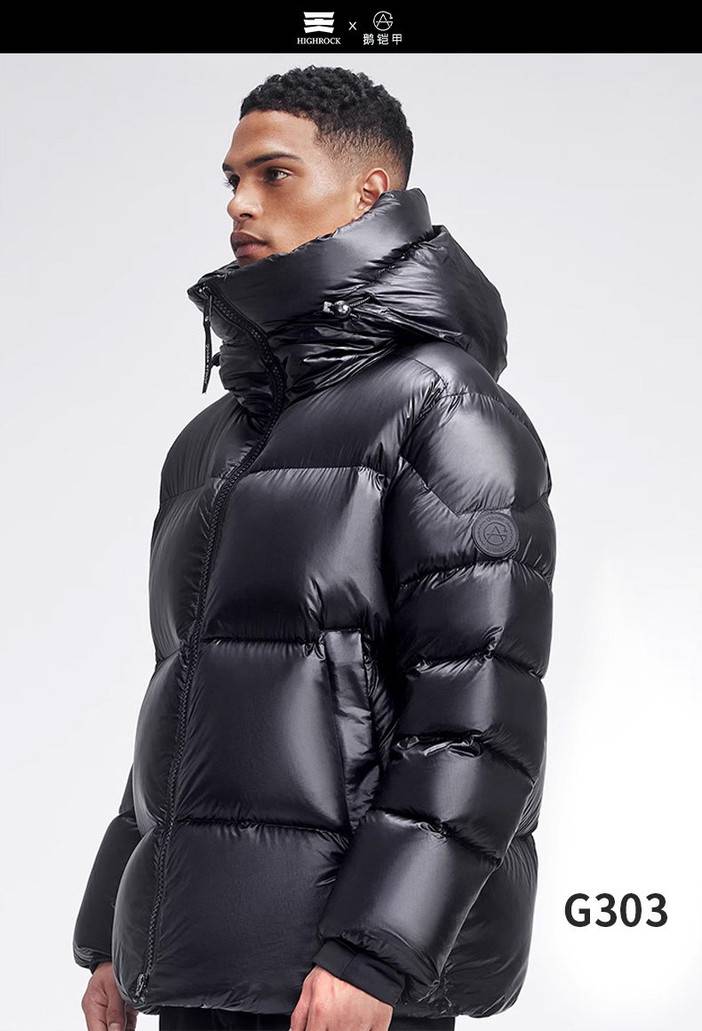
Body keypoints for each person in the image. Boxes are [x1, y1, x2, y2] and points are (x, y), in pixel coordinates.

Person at [74, 66, 556, 1031]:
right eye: (232, 178)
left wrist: (375, 951)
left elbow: (477, 717)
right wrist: (118, 936)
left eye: (274, 173)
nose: (239, 203)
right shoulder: (211, 442)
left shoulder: (448, 410)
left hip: (345, 983)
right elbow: (186, 694)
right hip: (196, 965)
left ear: (370, 192)